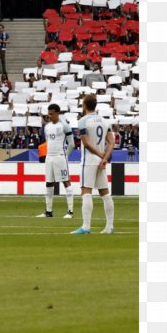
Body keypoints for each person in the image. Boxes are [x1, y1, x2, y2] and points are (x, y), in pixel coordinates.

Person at [70, 95, 115, 235]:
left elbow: (86, 143)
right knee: (105, 193)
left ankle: (86, 227)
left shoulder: (82, 121)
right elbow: (111, 141)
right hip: (101, 161)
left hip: (89, 160)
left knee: (86, 192)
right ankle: (109, 227)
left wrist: (101, 155)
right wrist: (105, 158)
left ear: (84, 105)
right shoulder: (104, 121)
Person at [38, 104, 75, 219]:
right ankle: (48, 211)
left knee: (65, 182)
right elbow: (49, 142)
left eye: (52, 114)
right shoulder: (47, 127)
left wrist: (65, 156)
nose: (50, 116)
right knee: (49, 183)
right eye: (48, 114)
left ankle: (70, 211)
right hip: (49, 157)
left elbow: (72, 144)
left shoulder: (65, 126)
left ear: (58, 113)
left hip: (60, 157)